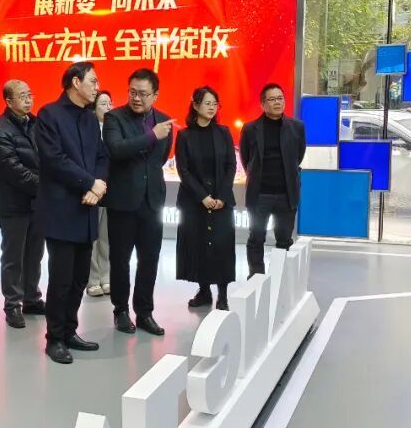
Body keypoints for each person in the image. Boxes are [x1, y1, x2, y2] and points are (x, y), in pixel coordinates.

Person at [35, 61, 108, 364]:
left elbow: (101, 156)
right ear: (75, 82)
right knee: (62, 279)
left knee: (80, 278)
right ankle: (54, 338)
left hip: (88, 208)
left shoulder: (90, 118)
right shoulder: (49, 115)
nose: (96, 87)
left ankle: (69, 331)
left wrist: (98, 186)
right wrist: (89, 182)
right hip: (62, 210)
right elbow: (54, 160)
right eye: (93, 81)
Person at [102, 68, 174, 336]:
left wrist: (156, 135)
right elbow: (116, 150)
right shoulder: (114, 118)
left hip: (152, 201)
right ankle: (120, 310)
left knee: (150, 259)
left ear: (155, 95)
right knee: (120, 259)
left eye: (143, 93)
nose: (136, 98)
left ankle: (144, 312)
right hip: (123, 201)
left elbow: (159, 159)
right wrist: (152, 135)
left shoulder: (164, 121)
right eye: (132, 92)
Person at [0, 80, 47, 330]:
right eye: (22, 96)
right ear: (9, 101)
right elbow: (13, 170)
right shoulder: (0, 130)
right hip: (13, 203)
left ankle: (32, 298)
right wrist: (45, 186)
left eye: (30, 94)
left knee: (35, 254)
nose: (28, 100)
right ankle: (12, 304)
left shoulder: (36, 123)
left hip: (37, 202)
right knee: (13, 256)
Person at [175, 86, 237, 310]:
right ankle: (204, 291)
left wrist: (222, 196)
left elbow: (231, 165)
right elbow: (183, 170)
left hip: (221, 199)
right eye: (207, 103)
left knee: (222, 247)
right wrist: (202, 196)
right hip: (194, 201)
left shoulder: (224, 132)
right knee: (199, 245)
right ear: (195, 105)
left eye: (215, 104)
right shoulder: (184, 135)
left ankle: (223, 295)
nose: (212, 108)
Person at [239, 83, 306, 275]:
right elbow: (246, 159)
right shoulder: (250, 129)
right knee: (256, 238)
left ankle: (279, 279)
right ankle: (256, 278)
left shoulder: (297, 127)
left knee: (284, 240)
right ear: (262, 104)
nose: (277, 102)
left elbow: (298, 156)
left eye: (280, 98)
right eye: (272, 99)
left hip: (286, 194)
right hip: (260, 194)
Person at [86, 90, 113, 298]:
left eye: (110, 103)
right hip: (93, 189)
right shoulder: (89, 129)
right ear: (94, 108)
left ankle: (106, 277)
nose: (108, 107)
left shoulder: (115, 128)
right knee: (92, 238)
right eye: (103, 104)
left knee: (107, 238)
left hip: (112, 190)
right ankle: (93, 279)